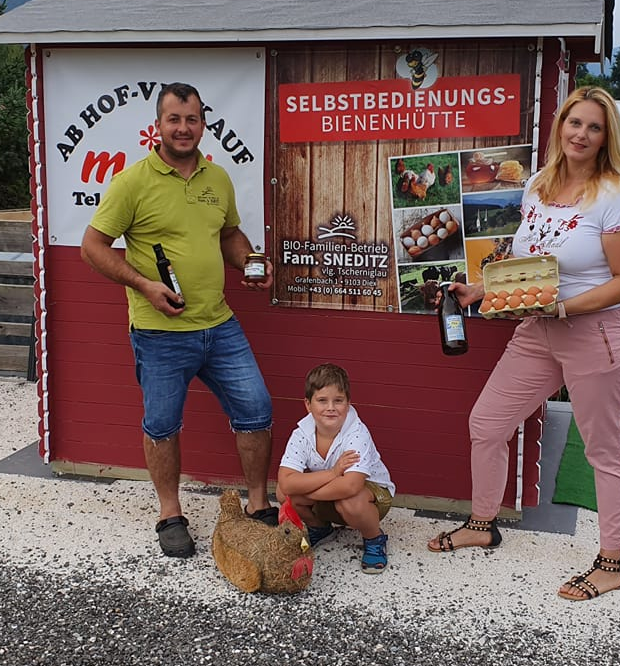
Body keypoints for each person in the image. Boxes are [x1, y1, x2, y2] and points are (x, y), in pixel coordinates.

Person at [426, 86, 620, 601]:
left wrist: (564, 308)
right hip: (538, 331)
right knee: (488, 423)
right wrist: (480, 291)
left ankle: (611, 561)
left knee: (605, 451)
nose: (582, 135)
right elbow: (528, 266)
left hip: (598, 334)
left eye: (594, 126)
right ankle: (483, 524)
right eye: (574, 123)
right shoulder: (539, 185)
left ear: (606, 135)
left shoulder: (614, 194)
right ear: (560, 128)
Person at [80, 81, 276, 559]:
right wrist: (144, 285)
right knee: (163, 425)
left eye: (191, 120)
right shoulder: (133, 182)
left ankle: (257, 504)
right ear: (159, 125)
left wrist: (251, 262)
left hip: (220, 324)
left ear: (202, 123)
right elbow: (92, 247)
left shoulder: (218, 179)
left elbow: (229, 234)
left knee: (257, 409)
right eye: (174, 119)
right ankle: (170, 515)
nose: (183, 128)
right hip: (159, 331)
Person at [277, 363, 395, 574]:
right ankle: (320, 529)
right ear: (308, 404)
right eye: (322, 400)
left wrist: (305, 492)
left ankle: (374, 538)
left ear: (348, 404)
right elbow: (285, 482)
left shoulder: (356, 432)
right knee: (283, 492)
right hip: (330, 487)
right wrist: (332, 473)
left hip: (371, 496)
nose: (330, 407)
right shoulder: (302, 433)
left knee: (349, 500)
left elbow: (351, 485)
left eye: (338, 401)